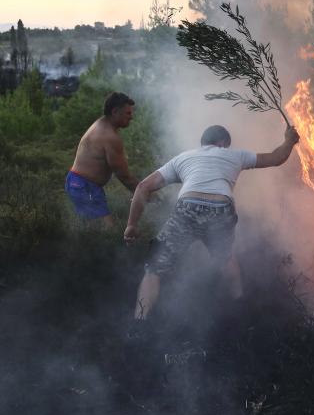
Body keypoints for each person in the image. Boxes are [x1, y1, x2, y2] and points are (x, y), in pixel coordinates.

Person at [124, 123, 300, 320]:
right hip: (221, 209)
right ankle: (240, 311)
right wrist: (289, 141)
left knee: (155, 268)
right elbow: (276, 158)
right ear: (223, 143)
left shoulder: (183, 158)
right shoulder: (234, 155)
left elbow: (142, 187)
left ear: (203, 143)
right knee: (225, 259)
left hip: (187, 208)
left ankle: (139, 323)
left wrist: (131, 225)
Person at [65, 92, 140, 227]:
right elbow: (124, 176)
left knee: (90, 228)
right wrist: (146, 192)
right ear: (115, 112)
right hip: (83, 186)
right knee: (107, 229)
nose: (131, 117)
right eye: (128, 113)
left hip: (81, 183)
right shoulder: (109, 136)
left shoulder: (102, 124)